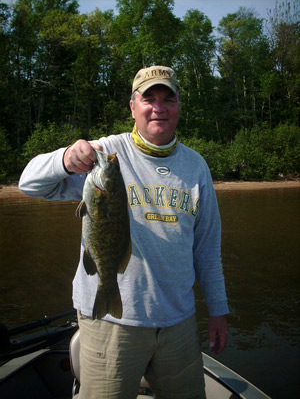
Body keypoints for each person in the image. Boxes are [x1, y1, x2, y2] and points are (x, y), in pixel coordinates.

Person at [19, 65, 229, 399]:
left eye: (167, 99)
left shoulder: (197, 166)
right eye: (149, 99)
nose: (158, 107)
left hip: (178, 323)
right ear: (133, 107)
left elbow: (207, 247)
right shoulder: (104, 155)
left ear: (178, 107)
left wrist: (218, 309)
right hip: (110, 325)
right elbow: (29, 184)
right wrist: (65, 159)